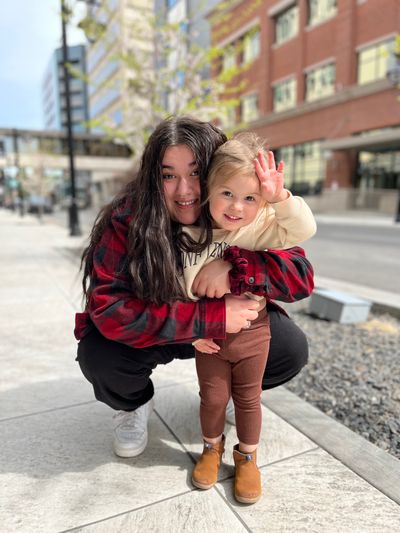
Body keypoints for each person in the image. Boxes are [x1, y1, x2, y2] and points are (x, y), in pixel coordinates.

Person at [74, 116, 314, 465]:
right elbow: (110, 309)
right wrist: (207, 318)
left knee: (289, 347)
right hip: (160, 328)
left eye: (196, 173)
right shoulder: (129, 220)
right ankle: (133, 403)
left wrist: (236, 266)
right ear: (153, 178)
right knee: (101, 357)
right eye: (168, 175)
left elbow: (300, 275)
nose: (184, 191)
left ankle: (228, 391)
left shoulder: (238, 209)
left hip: (223, 335)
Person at [180, 133, 316, 503]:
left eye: (250, 198)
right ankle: (211, 448)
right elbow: (175, 289)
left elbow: (304, 230)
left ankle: (248, 456)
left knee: (248, 398)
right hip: (209, 334)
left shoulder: (260, 226)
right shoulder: (190, 235)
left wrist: (279, 199)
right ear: (208, 189)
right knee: (212, 397)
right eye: (227, 193)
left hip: (254, 333)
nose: (237, 207)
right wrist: (191, 330)